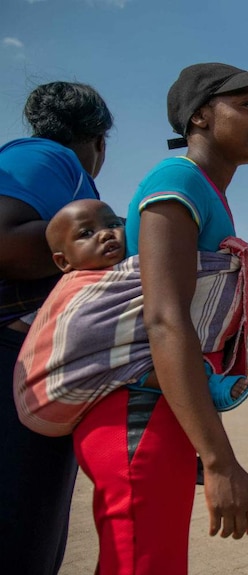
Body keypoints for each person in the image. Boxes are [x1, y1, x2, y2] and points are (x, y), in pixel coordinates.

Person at [69, 62, 248, 573]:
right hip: (137, 411)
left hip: (161, 410)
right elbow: (165, 319)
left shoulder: (208, 192)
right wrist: (219, 460)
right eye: (247, 106)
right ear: (199, 119)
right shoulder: (177, 179)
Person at [0, 81, 112, 574]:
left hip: (30, 365)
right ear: (99, 143)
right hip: (11, 357)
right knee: (22, 529)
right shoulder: (47, 157)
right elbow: (4, 241)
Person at [42, 198, 248, 410]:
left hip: (136, 357)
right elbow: (77, 333)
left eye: (114, 224)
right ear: (63, 261)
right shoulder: (71, 290)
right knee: (148, 366)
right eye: (86, 233)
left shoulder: (131, 271)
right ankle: (205, 385)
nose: (106, 234)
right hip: (99, 368)